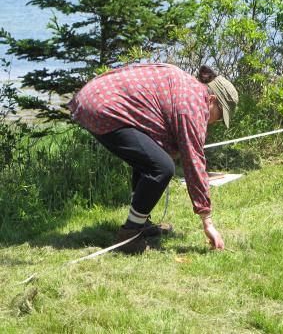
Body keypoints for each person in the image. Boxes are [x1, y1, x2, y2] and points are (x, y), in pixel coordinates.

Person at [68, 63, 238, 253]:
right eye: (220, 115)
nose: (216, 122)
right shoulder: (193, 106)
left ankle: (141, 223)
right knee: (162, 168)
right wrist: (207, 221)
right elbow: (194, 162)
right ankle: (130, 237)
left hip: (95, 96)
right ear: (212, 99)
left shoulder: (189, 88)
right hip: (103, 107)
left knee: (151, 159)